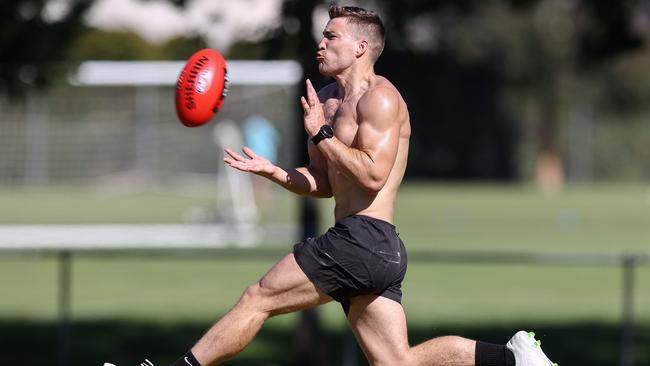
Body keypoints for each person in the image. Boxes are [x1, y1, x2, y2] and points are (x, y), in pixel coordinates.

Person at [131, 5, 557, 366]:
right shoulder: (329, 101)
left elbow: (372, 174)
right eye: (322, 36)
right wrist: (273, 171)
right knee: (398, 361)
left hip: (363, 238)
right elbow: (325, 182)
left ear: (360, 47)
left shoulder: (381, 98)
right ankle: (512, 356)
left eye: (331, 37)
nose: (321, 44)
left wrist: (321, 135)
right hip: (369, 248)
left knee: (257, 297)